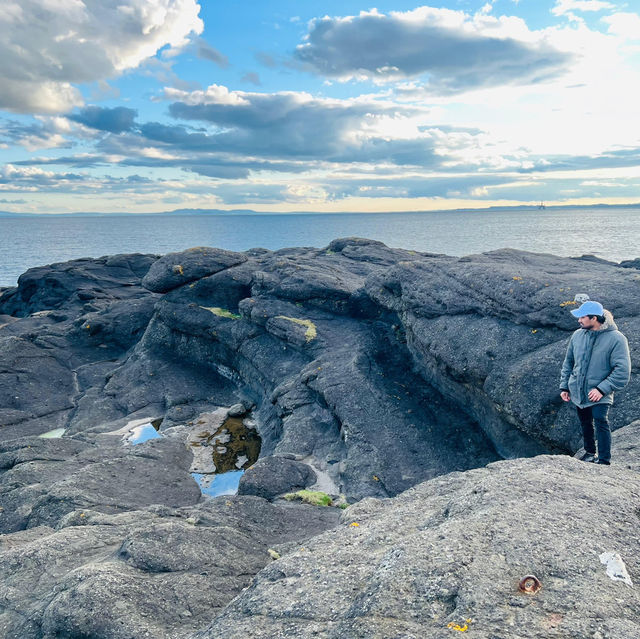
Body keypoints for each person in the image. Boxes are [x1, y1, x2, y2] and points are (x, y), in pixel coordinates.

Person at [559, 299, 631, 465]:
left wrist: (601, 389)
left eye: (582, 317)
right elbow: (568, 362)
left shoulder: (617, 339)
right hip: (578, 389)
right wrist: (565, 386)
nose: (579, 320)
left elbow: (622, 370)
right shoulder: (577, 335)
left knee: (600, 421)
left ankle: (604, 460)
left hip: (600, 392)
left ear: (594, 318)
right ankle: (590, 453)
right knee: (585, 422)